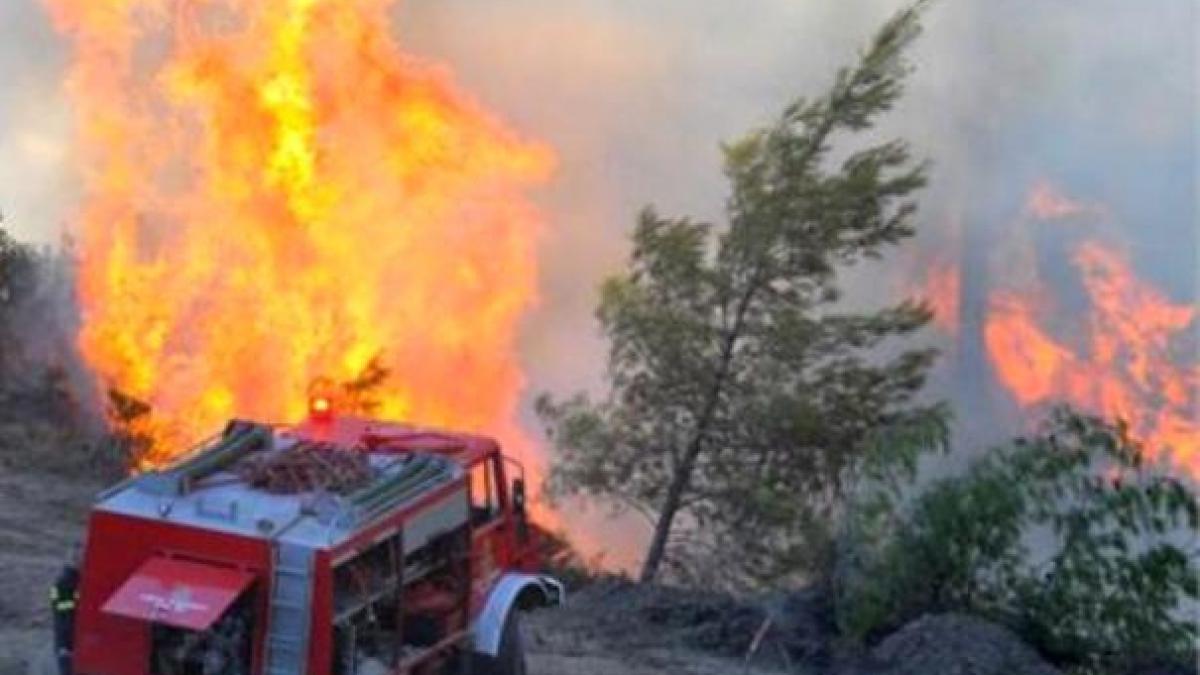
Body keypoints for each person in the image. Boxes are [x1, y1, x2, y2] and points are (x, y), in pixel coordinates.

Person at [50, 544, 80, 675]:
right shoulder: (64, 583)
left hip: (68, 641)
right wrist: (66, 645)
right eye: (77, 557)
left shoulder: (74, 580)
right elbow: (64, 615)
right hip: (67, 643)